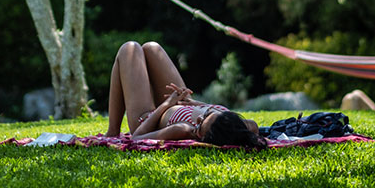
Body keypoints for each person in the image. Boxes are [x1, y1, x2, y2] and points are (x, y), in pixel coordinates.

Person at [105, 41, 267, 149]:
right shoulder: (227, 121)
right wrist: (192, 102)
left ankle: (112, 131)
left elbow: (137, 137)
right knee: (151, 48)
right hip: (181, 101)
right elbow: (253, 125)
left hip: (148, 118)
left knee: (129, 49)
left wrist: (168, 104)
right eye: (207, 114)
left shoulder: (184, 129)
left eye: (199, 125)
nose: (199, 119)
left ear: (202, 137)